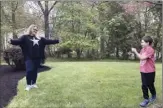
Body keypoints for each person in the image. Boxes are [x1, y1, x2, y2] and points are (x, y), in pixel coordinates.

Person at [9, 24, 60, 91]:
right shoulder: (25, 37)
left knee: (34, 71)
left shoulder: (40, 38)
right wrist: (11, 41)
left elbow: (48, 41)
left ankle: (33, 83)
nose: (35, 31)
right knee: (29, 70)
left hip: (37, 57)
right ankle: (28, 85)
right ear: (30, 29)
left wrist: (57, 41)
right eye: (34, 29)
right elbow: (18, 41)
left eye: (36, 30)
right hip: (28, 57)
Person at [131, 36, 156, 107]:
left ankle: (153, 95)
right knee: (144, 85)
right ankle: (146, 99)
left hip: (150, 71)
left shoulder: (150, 50)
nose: (141, 43)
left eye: (142, 42)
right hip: (143, 70)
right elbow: (140, 57)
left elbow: (142, 57)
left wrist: (135, 51)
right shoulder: (143, 49)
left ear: (147, 43)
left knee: (150, 85)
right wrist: (137, 53)